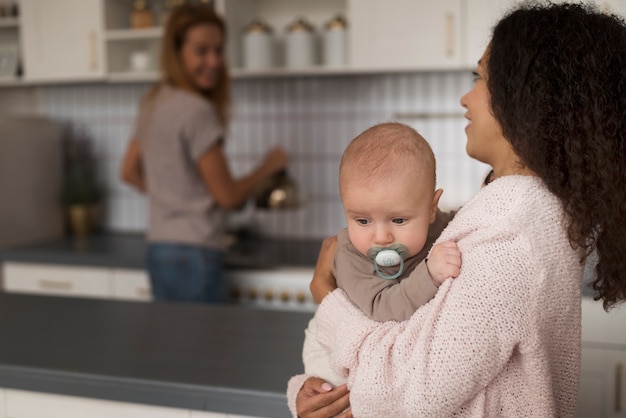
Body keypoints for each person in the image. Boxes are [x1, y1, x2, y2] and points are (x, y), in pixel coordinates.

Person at [287, 3, 626, 417]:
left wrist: (327, 297)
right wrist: (316, 389)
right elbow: (413, 353)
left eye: (480, 78)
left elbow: (411, 392)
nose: (466, 98)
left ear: (528, 96)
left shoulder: (512, 232)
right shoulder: (507, 211)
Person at [121, 4, 288, 303]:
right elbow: (228, 197)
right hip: (194, 255)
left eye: (219, 50)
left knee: (174, 347)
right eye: (201, 50)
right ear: (177, 53)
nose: (213, 61)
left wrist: (171, 197)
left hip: (160, 251)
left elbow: (128, 172)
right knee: (203, 349)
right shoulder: (197, 110)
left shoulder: (152, 102)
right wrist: (269, 165)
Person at [303, 122, 461, 387]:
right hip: (330, 348)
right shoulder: (351, 254)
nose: (381, 237)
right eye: (362, 221)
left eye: (398, 220)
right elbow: (381, 307)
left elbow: (465, 220)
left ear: (432, 209)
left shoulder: (441, 226)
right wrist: (430, 274)